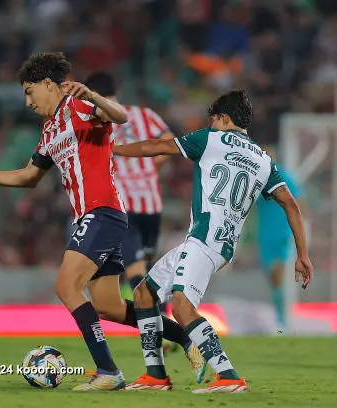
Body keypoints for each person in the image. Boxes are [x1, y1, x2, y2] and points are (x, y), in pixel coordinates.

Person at [0, 52, 204, 391]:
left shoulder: (79, 107)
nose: (27, 101)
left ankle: (108, 371)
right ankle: (185, 338)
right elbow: (27, 176)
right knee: (108, 306)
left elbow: (120, 116)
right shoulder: (50, 130)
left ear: (48, 84)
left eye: (29, 90)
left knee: (66, 285)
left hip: (104, 211)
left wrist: (93, 95)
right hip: (96, 217)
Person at [113, 90, 313, 393]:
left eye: (214, 119)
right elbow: (292, 205)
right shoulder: (263, 160)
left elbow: (157, 146)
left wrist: (113, 148)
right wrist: (303, 255)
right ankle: (155, 375)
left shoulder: (210, 138)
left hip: (204, 240)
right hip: (221, 245)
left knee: (180, 306)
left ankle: (229, 376)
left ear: (223, 118)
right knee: (144, 294)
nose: (213, 123)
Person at [84, 71, 183, 355]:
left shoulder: (96, 120)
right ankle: (165, 330)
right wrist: (152, 168)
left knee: (138, 275)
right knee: (146, 271)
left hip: (123, 206)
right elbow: (169, 141)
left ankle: (160, 336)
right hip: (151, 204)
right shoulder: (143, 114)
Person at [256, 145, 303, 329]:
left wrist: (301, 229)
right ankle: (282, 318)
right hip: (265, 235)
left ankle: (284, 321)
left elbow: (300, 202)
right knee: (274, 280)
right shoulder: (257, 179)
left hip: (282, 233)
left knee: (278, 276)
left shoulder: (284, 177)